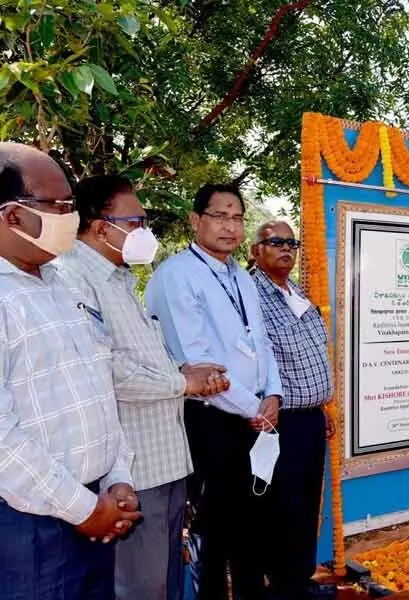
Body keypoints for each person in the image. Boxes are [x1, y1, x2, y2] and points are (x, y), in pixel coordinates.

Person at [55, 175, 230, 600]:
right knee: (139, 586)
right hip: (132, 470)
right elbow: (105, 369)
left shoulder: (121, 279)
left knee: (168, 579)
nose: (144, 233)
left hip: (167, 458)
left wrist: (184, 368)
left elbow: (142, 353)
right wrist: (180, 381)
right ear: (100, 226)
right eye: (136, 222)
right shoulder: (72, 277)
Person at [0, 143, 141, 599]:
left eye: (71, 205)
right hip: (31, 527)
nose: (70, 216)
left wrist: (118, 478)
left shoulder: (64, 282)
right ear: (11, 216)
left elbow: (98, 387)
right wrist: (82, 508)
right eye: (57, 205)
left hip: (96, 506)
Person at [146, 183, 283, 600]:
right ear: (195, 220)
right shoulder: (176, 275)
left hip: (253, 416)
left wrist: (272, 395)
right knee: (216, 529)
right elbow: (199, 363)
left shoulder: (240, 274)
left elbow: (261, 341)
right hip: (210, 420)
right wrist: (252, 408)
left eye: (237, 217)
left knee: (252, 523)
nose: (230, 227)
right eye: (219, 216)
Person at [250, 221, 333, 600]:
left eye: (291, 242)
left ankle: (300, 581)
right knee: (282, 506)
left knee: (306, 504)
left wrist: (320, 406)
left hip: (311, 418)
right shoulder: (251, 294)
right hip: (279, 423)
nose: (286, 248)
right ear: (255, 251)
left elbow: (310, 354)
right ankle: (283, 588)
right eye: (276, 242)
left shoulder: (294, 291)